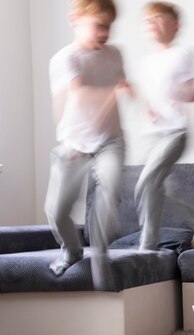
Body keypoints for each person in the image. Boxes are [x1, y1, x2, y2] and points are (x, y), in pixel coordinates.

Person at [45, 0, 129, 290]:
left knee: (111, 185)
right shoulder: (65, 59)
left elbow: (120, 90)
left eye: (109, 26)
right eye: (99, 25)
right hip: (74, 143)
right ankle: (71, 250)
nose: (105, 33)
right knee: (56, 210)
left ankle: (101, 254)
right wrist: (68, 142)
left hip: (110, 141)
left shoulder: (115, 54)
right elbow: (78, 94)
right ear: (75, 19)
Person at [134, 1, 194, 250]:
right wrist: (145, 107)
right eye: (148, 20)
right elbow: (148, 96)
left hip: (176, 132)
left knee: (146, 182)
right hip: (153, 134)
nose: (151, 24)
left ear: (174, 25)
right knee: (166, 191)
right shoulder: (147, 61)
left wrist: (190, 93)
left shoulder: (183, 54)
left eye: (157, 18)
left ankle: (147, 245)